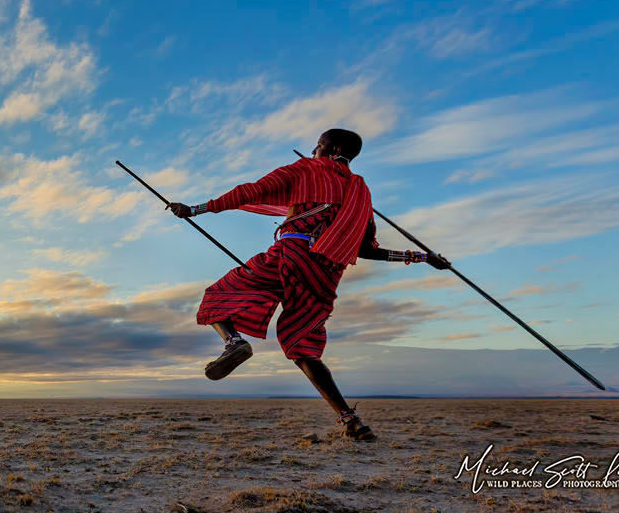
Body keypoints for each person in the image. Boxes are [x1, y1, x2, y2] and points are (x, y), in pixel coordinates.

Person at [165, 128, 449, 442]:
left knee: (218, 297)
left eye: (318, 145)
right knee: (304, 347)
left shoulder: (307, 169)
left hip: (291, 255)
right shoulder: (361, 195)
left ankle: (234, 342)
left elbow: (251, 191)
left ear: (333, 148)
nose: (314, 150)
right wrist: (421, 257)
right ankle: (352, 421)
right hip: (324, 275)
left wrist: (195, 209)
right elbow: (367, 249)